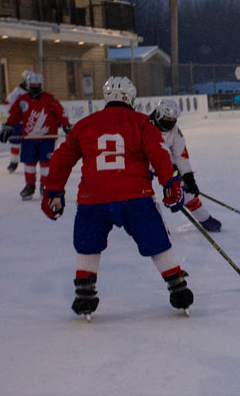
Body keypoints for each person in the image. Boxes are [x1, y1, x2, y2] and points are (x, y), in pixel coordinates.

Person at [43, 77, 192, 317]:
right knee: (155, 238)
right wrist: (171, 182)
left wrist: (53, 191)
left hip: (93, 198)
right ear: (131, 98)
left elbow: (61, 159)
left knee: (88, 242)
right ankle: (178, 287)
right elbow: (159, 153)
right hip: (135, 196)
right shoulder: (142, 123)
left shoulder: (85, 124)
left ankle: (84, 294)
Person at [149, 99, 222, 233]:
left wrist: (188, 178)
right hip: (143, 164)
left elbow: (180, 155)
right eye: (166, 118)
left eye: (173, 119)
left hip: (165, 163)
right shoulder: (145, 126)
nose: (169, 122)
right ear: (159, 114)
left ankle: (204, 218)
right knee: (144, 195)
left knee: (184, 191)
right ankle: (152, 226)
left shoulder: (175, 131)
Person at [1, 72, 70, 200]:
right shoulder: (22, 100)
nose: (35, 86)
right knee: (29, 162)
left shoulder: (49, 98)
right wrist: (8, 126)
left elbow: (61, 112)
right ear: (28, 84)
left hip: (47, 138)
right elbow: (14, 115)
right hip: (29, 138)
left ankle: (45, 186)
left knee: (46, 163)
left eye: (37, 84)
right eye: (32, 84)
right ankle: (29, 186)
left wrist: (66, 126)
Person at [2, 70, 34, 173]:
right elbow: (7, 103)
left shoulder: (35, 91)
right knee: (15, 143)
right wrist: (15, 116)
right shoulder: (17, 91)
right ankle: (13, 162)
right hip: (18, 123)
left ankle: (35, 162)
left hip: (31, 122)